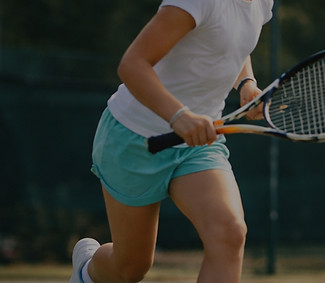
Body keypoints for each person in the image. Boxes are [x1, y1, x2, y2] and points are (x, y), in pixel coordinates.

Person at [70, 0, 273, 282]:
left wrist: (246, 83)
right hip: (133, 138)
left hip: (199, 145)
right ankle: (86, 271)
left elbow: (233, 43)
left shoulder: (262, 2)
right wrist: (179, 115)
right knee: (130, 268)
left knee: (229, 234)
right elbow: (133, 64)